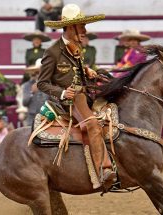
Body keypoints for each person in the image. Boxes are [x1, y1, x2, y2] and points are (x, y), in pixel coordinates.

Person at [38, 4, 116, 188]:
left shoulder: (77, 47)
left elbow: (75, 71)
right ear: (70, 27)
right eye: (81, 26)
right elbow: (42, 83)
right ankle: (104, 170)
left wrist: (87, 71)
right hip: (70, 101)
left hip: (86, 93)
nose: (85, 30)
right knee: (93, 124)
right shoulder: (52, 52)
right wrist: (63, 92)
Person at [22, 59, 49, 126]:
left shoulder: (50, 84)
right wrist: (32, 92)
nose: (38, 74)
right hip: (32, 118)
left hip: (47, 117)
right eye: (37, 72)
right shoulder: (27, 85)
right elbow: (24, 103)